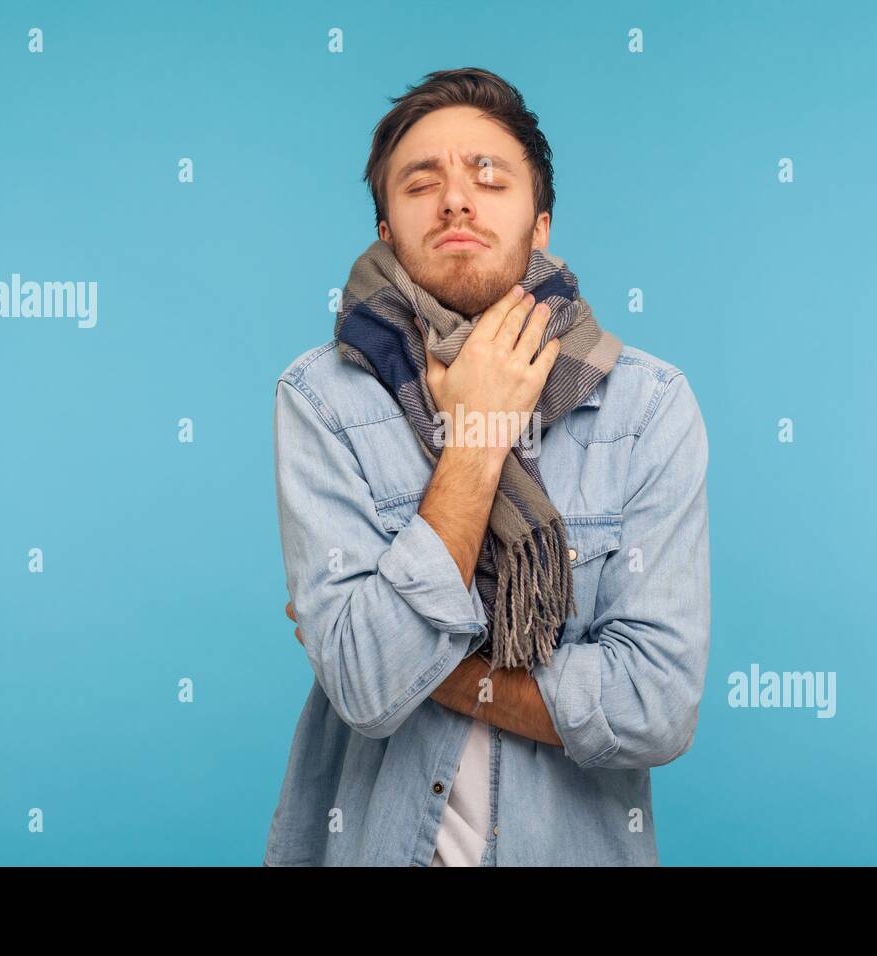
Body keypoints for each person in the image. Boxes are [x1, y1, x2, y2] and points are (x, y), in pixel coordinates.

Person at [264, 67, 710, 866]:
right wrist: (477, 437)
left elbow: (656, 707)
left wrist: (428, 669)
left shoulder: (647, 406)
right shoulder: (321, 396)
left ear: (540, 226)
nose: (457, 200)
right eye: (422, 182)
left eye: (489, 178)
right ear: (386, 229)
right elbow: (367, 692)